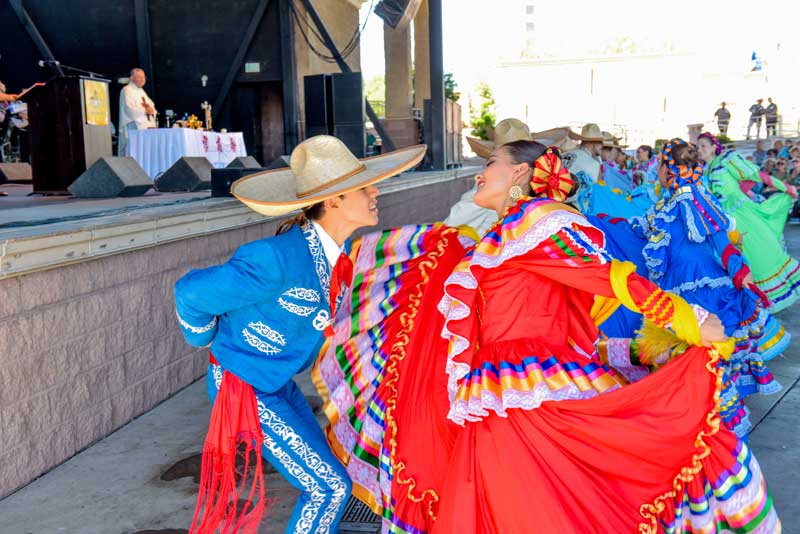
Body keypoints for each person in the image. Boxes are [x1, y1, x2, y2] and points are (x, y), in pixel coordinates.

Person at [316, 140, 780, 533]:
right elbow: (563, 319)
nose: (479, 174)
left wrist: (682, 317)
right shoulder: (501, 235)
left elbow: (606, 275)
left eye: (488, 163)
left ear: (519, 170)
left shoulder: (539, 219)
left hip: (525, 401)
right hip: (502, 397)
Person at [173, 135, 426, 533]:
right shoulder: (276, 259)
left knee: (336, 475)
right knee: (327, 488)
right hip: (243, 386)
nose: (375, 191)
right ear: (335, 201)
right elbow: (190, 293)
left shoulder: (335, 257)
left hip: (275, 383)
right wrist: (205, 339)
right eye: (364, 187)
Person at [638, 138, 784, 436]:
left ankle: (713, 425)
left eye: (661, 166)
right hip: (689, 284)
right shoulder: (678, 200)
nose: (658, 172)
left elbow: (721, 240)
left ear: (668, 168)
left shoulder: (692, 198)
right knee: (701, 359)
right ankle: (704, 421)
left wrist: (741, 272)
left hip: (695, 289)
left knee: (702, 358)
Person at [118, 68, 157, 156]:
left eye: (144, 77)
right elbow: (128, 109)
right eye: (139, 77)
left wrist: (152, 110)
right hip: (133, 127)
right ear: (132, 78)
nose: (143, 79)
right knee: (135, 153)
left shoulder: (141, 92)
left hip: (146, 128)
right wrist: (145, 110)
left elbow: (151, 106)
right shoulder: (127, 90)